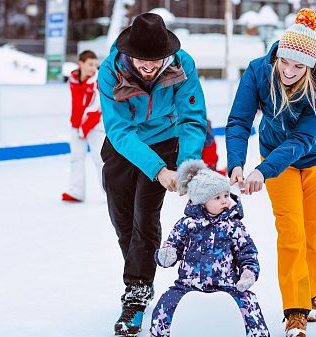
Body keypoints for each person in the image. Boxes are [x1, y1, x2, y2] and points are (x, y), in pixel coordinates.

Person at [225, 8, 316, 337]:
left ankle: (312, 294)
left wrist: (263, 170)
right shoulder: (259, 72)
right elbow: (239, 121)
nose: (289, 70)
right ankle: (296, 310)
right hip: (275, 158)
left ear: (309, 66)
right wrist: (236, 162)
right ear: (277, 56)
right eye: (284, 62)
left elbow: (304, 136)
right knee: (291, 232)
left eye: (298, 66)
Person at [97, 13, 207, 336]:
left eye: (155, 61)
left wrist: (185, 166)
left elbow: (192, 118)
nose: (148, 67)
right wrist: (157, 170)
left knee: (145, 216)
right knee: (123, 219)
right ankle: (139, 271)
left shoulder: (182, 65)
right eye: (141, 61)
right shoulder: (110, 71)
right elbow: (119, 130)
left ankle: (137, 293)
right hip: (123, 146)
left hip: (165, 141)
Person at [149, 160, 269, 337]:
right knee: (166, 305)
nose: (225, 201)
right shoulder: (187, 224)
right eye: (217, 197)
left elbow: (247, 252)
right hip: (188, 285)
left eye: (226, 195)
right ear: (202, 201)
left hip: (227, 285)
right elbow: (172, 245)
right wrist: (168, 255)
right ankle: (157, 334)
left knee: (248, 304)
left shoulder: (233, 226)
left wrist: (248, 273)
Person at [62, 50, 105, 202]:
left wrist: (84, 127)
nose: (94, 68)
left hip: (95, 125)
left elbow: (96, 106)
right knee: (76, 158)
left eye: (95, 64)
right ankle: (76, 191)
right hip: (76, 125)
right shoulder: (73, 79)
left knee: (100, 159)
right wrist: (79, 126)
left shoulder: (98, 81)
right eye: (90, 64)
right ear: (81, 64)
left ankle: (110, 194)